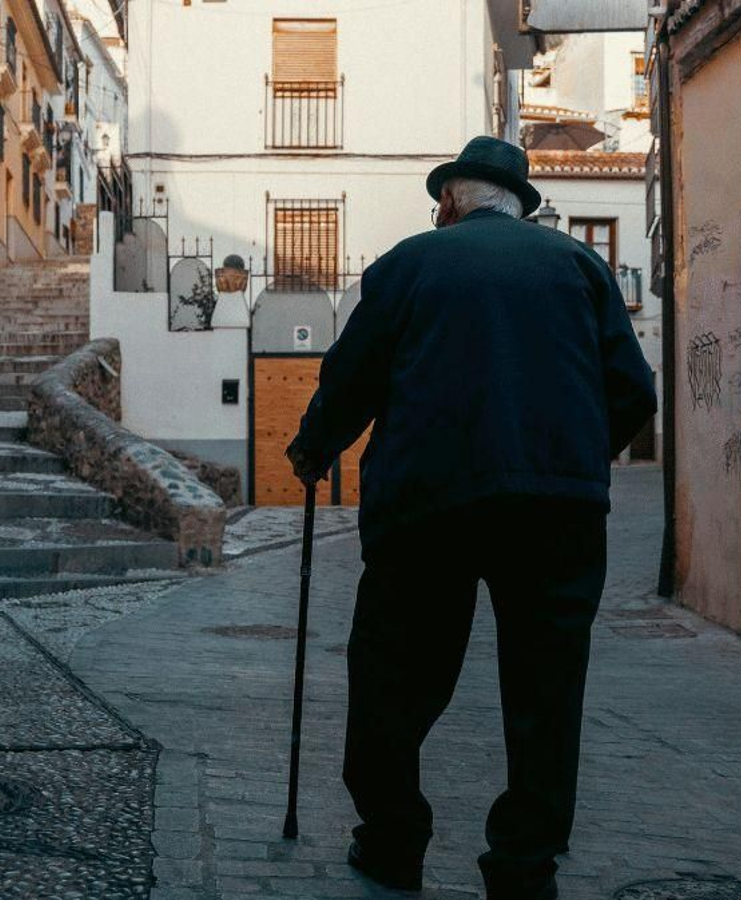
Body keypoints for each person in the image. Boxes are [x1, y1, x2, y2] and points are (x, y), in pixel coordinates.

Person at [285, 136, 657, 900]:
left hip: (429, 504)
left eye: (440, 199)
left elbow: (351, 376)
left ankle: (392, 843)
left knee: (394, 677)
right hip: (558, 510)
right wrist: (574, 455)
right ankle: (524, 869)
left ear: (453, 199)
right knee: (546, 691)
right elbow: (634, 390)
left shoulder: (410, 263)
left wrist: (313, 449)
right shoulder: (581, 268)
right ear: (523, 205)